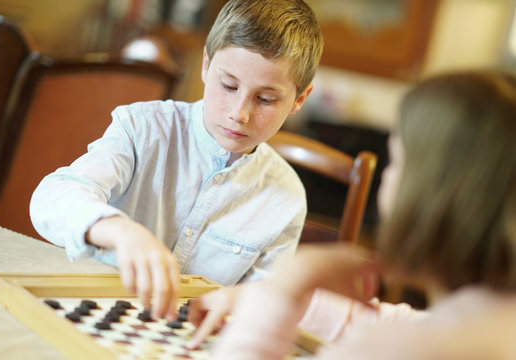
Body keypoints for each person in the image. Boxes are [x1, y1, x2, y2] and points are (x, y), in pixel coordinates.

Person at [188, 70, 516, 358]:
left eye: (396, 161)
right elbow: (398, 321)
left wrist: (284, 288)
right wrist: (280, 295)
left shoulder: (398, 349)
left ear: (432, 192)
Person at [29, 0, 323, 321]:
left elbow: (262, 305)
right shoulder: (143, 128)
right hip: (92, 313)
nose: (239, 113)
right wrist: (120, 232)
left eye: (265, 99)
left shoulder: (286, 199)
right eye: (228, 85)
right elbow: (51, 198)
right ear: (206, 66)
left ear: (300, 100)